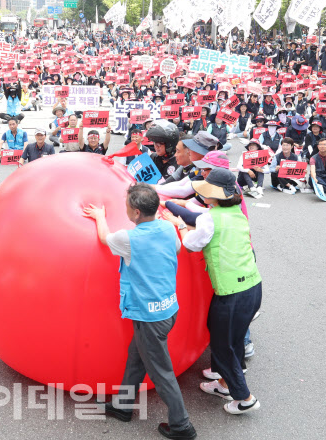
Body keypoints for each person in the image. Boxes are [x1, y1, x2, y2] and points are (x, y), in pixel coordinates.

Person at [82, 184, 196, 440]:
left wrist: (100, 217)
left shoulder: (128, 239)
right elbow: (176, 250)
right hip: (167, 309)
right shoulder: (168, 228)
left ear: (135, 213)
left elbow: (104, 238)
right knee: (136, 355)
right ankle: (123, 406)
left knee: (161, 372)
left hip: (149, 317)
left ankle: (182, 426)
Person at [176, 168, 262, 415]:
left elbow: (191, 245)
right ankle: (223, 383)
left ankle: (244, 397)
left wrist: (181, 228)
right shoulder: (236, 213)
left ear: (214, 195)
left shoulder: (210, 218)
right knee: (232, 339)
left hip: (231, 292)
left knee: (223, 346)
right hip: (253, 287)